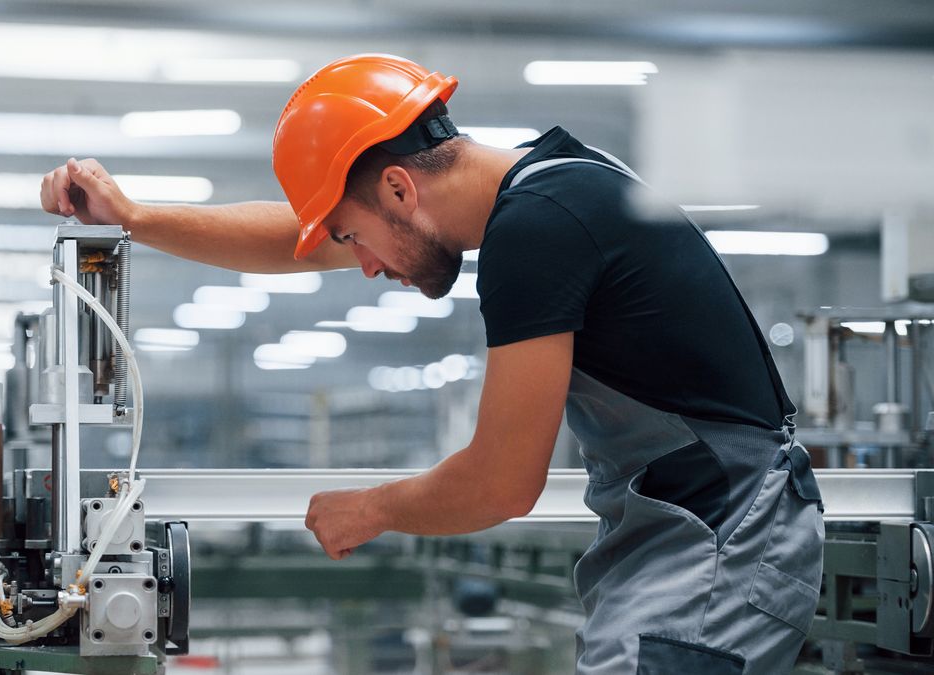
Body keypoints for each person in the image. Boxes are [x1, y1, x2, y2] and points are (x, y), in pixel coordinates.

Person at [41, 53, 824, 674]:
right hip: (686, 534)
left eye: (354, 240)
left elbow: (501, 483)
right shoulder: (556, 184)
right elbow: (295, 238)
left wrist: (372, 507)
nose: (368, 269)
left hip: (725, 544)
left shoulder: (539, 234)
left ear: (397, 185)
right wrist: (135, 218)